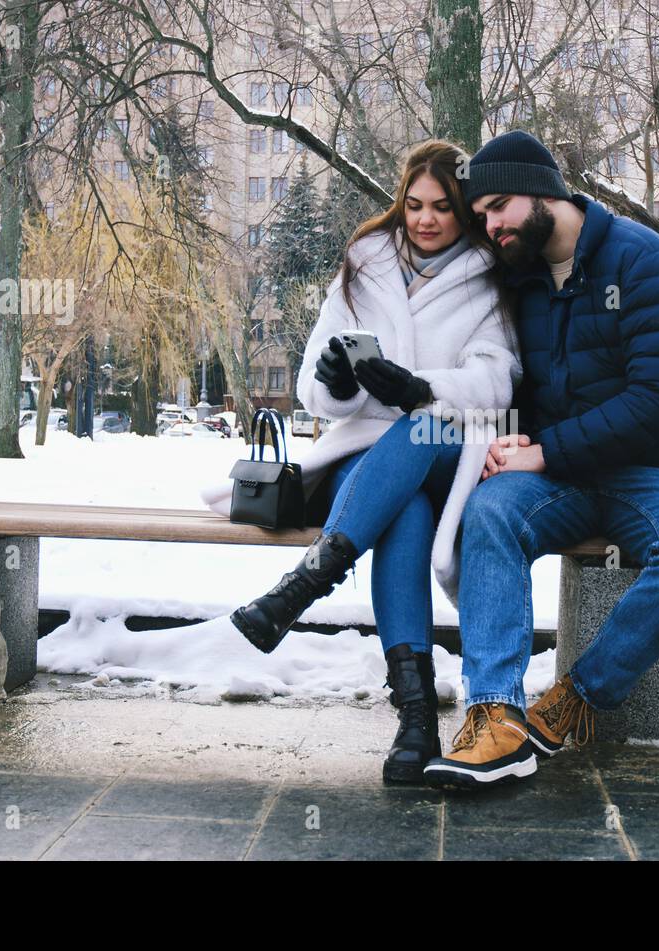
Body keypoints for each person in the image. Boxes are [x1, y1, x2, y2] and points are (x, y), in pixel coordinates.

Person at [200, 140, 521, 785]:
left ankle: (305, 586)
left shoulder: (490, 277)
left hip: (446, 442)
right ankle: (415, 718)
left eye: (441, 208)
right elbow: (314, 389)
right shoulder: (363, 263)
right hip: (366, 451)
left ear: (463, 210)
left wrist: (419, 388)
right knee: (400, 517)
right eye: (413, 204)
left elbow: (498, 381)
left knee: (421, 428)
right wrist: (337, 384)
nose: (425, 219)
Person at [420, 130, 659, 790]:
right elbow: (502, 375)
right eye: (479, 214)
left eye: (498, 205)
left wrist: (542, 450)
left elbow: (657, 399)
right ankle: (495, 714)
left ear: (545, 192)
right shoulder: (518, 275)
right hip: (557, 475)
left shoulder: (643, 261)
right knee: (490, 513)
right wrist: (502, 441)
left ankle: (577, 699)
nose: (490, 224)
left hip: (654, 467)